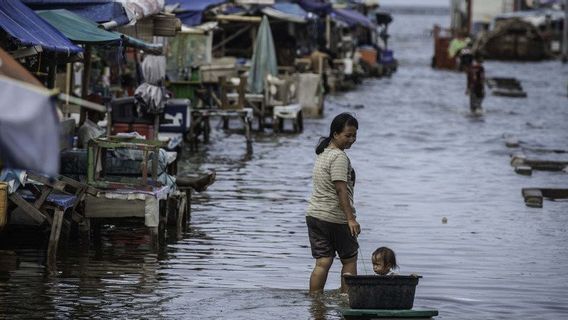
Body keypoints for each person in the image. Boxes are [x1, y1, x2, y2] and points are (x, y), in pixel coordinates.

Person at [306, 113, 360, 294]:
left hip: (315, 216)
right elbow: (340, 190)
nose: (351, 139)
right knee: (349, 260)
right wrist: (350, 219)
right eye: (347, 135)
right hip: (335, 218)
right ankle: (347, 300)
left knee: (323, 262)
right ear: (335, 134)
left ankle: (315, 301)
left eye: (354, 135)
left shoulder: (323, 153)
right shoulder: (339, 157)